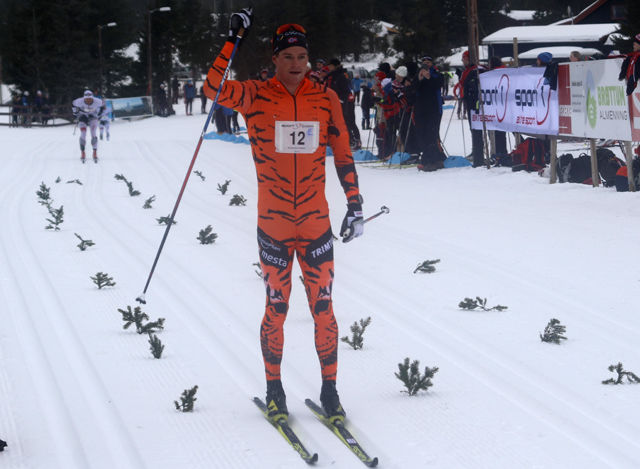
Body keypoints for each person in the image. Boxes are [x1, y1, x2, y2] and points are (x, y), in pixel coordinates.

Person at [203, 12, 364, 422]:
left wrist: (355, 202)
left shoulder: (325, 98)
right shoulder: (254, 94)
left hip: (315, 224)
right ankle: (274, 388)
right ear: (275, 59)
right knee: (276, 307)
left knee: (323, 307)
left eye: (302, 56)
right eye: (288, 56)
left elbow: (343, 152)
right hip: (273, 225)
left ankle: (330, 390)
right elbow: (212, 88)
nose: (296, 63)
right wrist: (233, 39)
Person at [414, 56, 444, 171]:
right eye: (424, 62)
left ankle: (430, 161)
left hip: (434, 109)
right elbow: (414, 88)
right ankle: (433, 159)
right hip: (421, 109)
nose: (426, 64)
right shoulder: (418, 74)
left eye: (428, 62)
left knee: (431, 135)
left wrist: (429, 77)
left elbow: (438, 85)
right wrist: (420, 78)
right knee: (422, 135)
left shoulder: (436, 74)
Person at [454, 50, 483, 166]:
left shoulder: (476, 70)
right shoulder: (467, 71)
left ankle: (479, 153)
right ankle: (476, 151)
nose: (462, 61)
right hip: (469, 102)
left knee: (477, 129)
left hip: (475, 104)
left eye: (464, 59)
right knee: (474, 129)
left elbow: (468, 85)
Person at [325, 58, 361, 149]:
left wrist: (340, 100)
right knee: (341, 123)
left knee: (349, 122)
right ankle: (347, 140)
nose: (329, 67)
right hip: (337, 103)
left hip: (346, 103)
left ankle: (355, 140)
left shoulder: (341, 75)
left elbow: (346, 91)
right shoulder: (332, 76)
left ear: (335, 66)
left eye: (330, 66)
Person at [72, 90, 105, 162]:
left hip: (93, 116)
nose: (88, 100)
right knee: (83, 133)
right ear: (84, 98)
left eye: (90, 99)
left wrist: (99, 115)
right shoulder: (79, 101)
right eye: (86, 99)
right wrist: (75, 112)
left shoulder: (98, 101)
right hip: (83, 116)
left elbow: (103, 106)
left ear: (92, 98)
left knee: (93, 133)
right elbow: (73, 104)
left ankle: (95, 152)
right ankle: (83, 153)